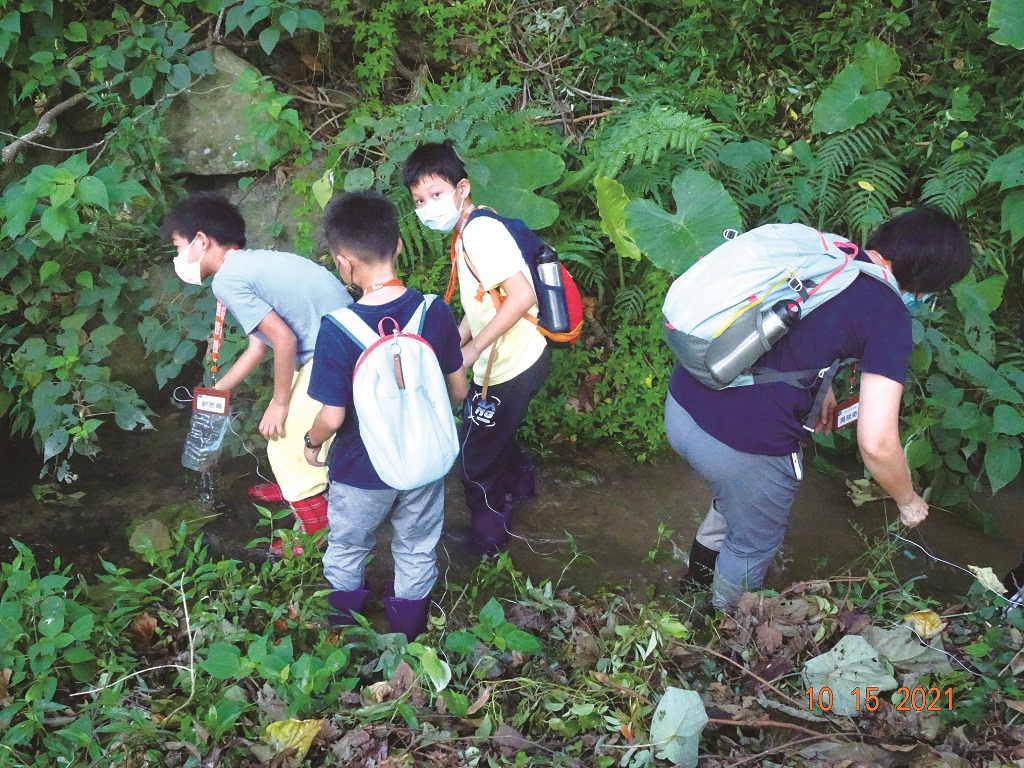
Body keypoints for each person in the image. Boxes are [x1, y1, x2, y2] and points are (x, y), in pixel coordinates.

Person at [667, 208, 973, 611]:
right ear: (928, 279)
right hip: (742, 448)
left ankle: (689, 592)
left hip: (684, 407)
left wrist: (820, 387)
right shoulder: (889, 313)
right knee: (752, 543)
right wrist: (907, 500)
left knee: (733, 508)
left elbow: (794, 333)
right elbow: (878, 443)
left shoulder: (828, 254)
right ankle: (714, 638)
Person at [304, 191, 467, 640]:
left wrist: (311, 443)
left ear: (342, 262)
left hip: (360, 471)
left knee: (348, 548)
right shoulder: (434, 312)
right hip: (424, 465)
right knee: (416, 548)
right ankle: (407, 644)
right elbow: (458, 389)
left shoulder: (338, 330)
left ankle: (344, 637)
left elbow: (331, 417)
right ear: (397, 245)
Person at [161, 191, 352, 555]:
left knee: (283, 443)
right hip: (341, 347)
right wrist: (218, 391)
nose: (177, 257)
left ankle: (316, 532)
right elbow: (258, 345)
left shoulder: (228, 279)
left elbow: (283, 341)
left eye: (177, 245)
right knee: (288, 433)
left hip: (331, 356)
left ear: (201, 241)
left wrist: (280, 403)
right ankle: (298, 488)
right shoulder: (246, 266)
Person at [403, 141, 552, 554]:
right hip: (524, 357)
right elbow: (487, 299)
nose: (428, 206)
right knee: (495, 433)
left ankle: (490, 542)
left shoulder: (479, 234)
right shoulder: (471, 230)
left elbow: (520, 296)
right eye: (419, 200)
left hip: (512, 366)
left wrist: (469, 354)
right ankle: (522, 491)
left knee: (472, 461)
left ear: (462, 188)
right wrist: (458, 340)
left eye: (436, 194)